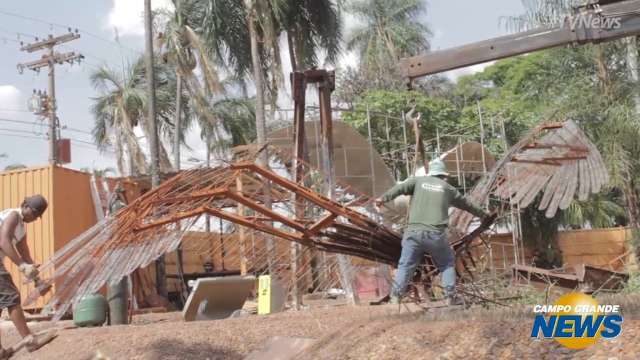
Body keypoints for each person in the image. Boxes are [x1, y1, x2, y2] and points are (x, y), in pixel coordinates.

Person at [375, 159, 490, 305]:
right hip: (435, 234)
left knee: (405, 265)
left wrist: (383, 199)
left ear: (431, 173)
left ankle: (395, 297)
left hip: (413, 233)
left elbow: (399, 188)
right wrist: (484, 215)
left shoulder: (418, 181)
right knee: (447, 263)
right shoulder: (448, 189)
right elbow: (467, 205)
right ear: (443, 175)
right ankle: (450, 297)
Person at [0, 195, 55, 358]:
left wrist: (38, 281)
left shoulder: (21, 228)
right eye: (35, 213)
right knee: (12, 297)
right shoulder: (14, 215)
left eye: (38, 216)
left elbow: (25, 253)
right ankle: (30, 340)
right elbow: (3, 242)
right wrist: (23, 267)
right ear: (25, 206)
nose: (35, 218)